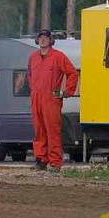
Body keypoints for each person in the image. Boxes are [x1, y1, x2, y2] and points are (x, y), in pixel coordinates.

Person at [27, 29, 78, 172]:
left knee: (52, 131)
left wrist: (67, 92)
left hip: (51, 98)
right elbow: (29, 75)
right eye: (40, 37)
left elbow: (72, 73)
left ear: (51, 40)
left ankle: (55, 163)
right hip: (36, 98)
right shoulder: (33, 57)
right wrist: (34, 90)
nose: (43, 40)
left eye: (45, 37)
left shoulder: (58, 56)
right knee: (39, 130)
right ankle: (41, 160)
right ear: (37, 40)